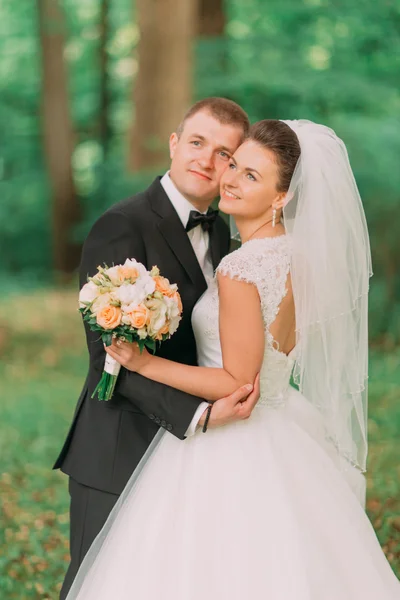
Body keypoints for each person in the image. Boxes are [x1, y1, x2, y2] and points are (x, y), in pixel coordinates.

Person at [66, 120, 400, 599]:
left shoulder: (241, 265)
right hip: (286, 425)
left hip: (233, 435)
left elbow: (238, 379)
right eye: (235, 166)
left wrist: (143, 363)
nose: (230, 179)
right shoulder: (299, 257)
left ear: (282, 197)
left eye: (251, 176)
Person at [54, 97, 261, 600]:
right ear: (174, 143)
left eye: (223, 154)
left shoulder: (228, 236)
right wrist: (200, 416)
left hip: (193, 457)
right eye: (197, 143)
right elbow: (111, 359)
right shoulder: (121, 225)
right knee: (96, 584)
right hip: (119, 446)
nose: (206, 161)